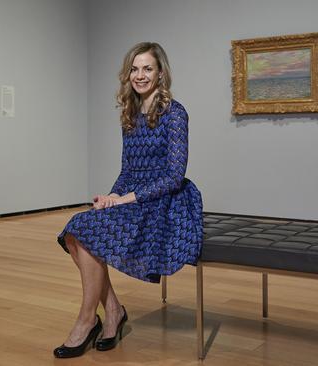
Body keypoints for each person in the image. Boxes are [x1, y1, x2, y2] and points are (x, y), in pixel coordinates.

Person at [53, 42, 203, 358]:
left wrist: (128, 199)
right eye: (134, 69)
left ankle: (86, 321)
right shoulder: (130, 112)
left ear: (161, 73)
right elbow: (128, 169)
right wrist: (112, 196)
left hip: (166, 201)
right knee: (74, 230)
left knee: (87, 232)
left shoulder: (175, 114)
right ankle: (113, 310)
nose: (140, 75)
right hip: (134, 196)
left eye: (147, 68)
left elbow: (174, 176)